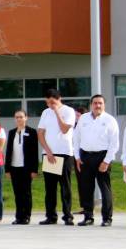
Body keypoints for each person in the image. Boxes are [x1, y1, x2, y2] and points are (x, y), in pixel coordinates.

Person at [74, 94, 119, 227]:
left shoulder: (110, 120)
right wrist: (77, 157)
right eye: (95, 103)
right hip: (85, 156)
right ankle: (88, 217)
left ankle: (107, 218)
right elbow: (76, 138)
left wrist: (107, 161)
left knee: (105, 188)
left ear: (104, 105)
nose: (97, 105)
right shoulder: (83, 118)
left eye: (100, 103)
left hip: (102, 157)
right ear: (91, 105)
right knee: (86, 188)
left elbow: (114, 143)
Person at [36, 88, 77, 225]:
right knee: (50, 187)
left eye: (52, 102)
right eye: (47, 103)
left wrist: (57, 112)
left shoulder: (68, 111)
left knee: (65, 186)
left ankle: (67, 216)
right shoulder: (45, 112)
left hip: (64, 153)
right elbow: (40, 133)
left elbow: (65, 129)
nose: (49, 105)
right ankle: (51, 216)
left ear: (59, 99)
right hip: (49, 154)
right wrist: (47, 151)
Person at [5, 109, 38, 225]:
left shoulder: (32, 132)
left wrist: (34, 169)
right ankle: (18, 216)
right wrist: (7, 169)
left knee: (26, 193)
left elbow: (34, 152)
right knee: (17, 193)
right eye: (17, 117)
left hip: (26, 168)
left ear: (26, 118)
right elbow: (9, 151)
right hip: (14, 167)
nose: (19, 119)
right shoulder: (12, 132)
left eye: (21, 117)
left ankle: (26, 216)